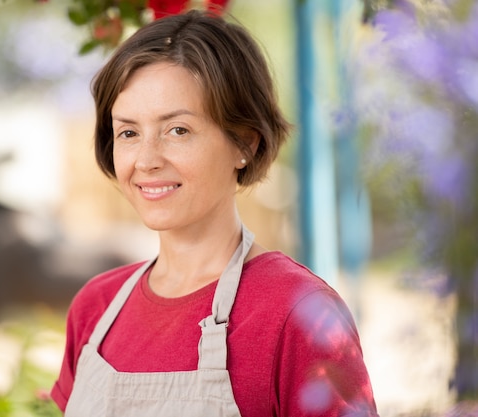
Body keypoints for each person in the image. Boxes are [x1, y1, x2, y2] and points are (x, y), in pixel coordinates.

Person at [50, 9, 379, 417]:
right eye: (129, 132)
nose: (147, 160)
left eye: (178, 130)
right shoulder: (94, 308)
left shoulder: (300, 314)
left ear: (245, 143)